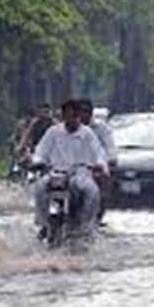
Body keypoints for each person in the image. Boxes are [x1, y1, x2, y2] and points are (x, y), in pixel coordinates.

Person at [32, 99, 108, 240]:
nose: (69, 120)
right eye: (66, 116)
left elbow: (98, 153)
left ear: (78, 116)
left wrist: (99, 165)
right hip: (56, 173)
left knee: (92, 192)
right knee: (40, 187)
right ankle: (44, 223)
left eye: (72, 116)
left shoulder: (87, 134)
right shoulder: (53, 132)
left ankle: (86, 227)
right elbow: (41, 151)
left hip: (80, 174)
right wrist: (38, 162)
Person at [78, 99, 117, 224]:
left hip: (94, 168)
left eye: (86, 112)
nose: (83, 115)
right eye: (80, 112)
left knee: (103, 180)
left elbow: (109, 148)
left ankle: (97, 215)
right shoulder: (67, 127)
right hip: (71, 167)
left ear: (90, 113)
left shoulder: (101, 128)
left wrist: (108, 161)